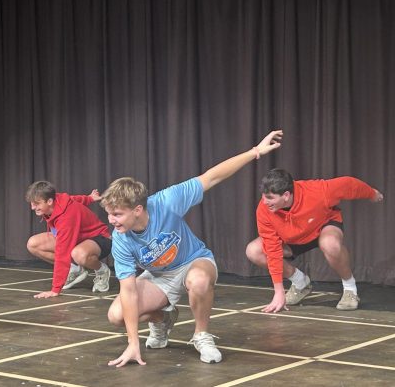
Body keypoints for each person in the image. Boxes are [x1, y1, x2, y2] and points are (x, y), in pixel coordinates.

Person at [100, 130, 283, 367]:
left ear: (137, 210)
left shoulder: (167, 202)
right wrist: (133, 342)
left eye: (117, 214)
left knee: (198, 280)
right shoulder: (121, 239)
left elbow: (211, 177)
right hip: (159, 276)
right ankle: (163, 318)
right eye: (109, 214)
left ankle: (201, 335)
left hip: (193, 261)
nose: (111, 220)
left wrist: (255, 152)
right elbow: (129, 292)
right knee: (116, 316)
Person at [245, 169, 384, 313]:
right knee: (254, 251)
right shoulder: (264, 209)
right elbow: (272, 249)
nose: (265, 201)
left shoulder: (317, 191)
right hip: (292, 237)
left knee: (330, 244)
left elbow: (348, 184)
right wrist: (278, 291)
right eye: (263, 197)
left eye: (270, 198)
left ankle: (350, 289)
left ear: (286, 195)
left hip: (322, 227)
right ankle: (300, 282)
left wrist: (372, 193)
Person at [25, 181, 112, 298]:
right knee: (33, 244)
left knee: (79, 254)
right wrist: (90, 198)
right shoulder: (58, 200)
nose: (33, 207)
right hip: (77, 238)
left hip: (100, 238)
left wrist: (55, 289)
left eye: (36, 204)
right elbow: (74, 199)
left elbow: (62, 253)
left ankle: (101, 270)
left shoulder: (66, 219)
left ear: (50, 201)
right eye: (32, 203)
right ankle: (75, 268)